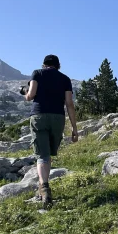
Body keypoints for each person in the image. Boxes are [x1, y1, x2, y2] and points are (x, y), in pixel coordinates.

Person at [21, 54, 78, 208]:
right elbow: (69, 104)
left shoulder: (37, 73)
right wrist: (74, 128)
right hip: (57, 118)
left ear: (44, 64)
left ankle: (44, 188)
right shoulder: (65, 79)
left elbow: (31, 95)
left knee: (42, 155)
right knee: (49, 154)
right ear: (58, 65)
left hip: (39, 116)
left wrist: (25, 94)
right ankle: (44, 186)